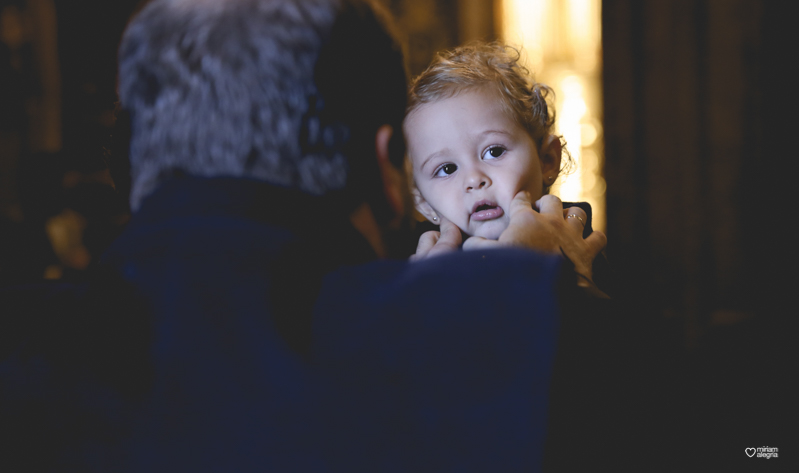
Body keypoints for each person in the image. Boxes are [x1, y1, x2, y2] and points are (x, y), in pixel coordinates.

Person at [1, 0, 609, 471]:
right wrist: (547, 293)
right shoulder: (509, 330)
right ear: (390, 172)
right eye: (443, 166)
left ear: (139, 158)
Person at [404, 42, 609, 294]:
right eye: (446, 169)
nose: (474, 179)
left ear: (547, 160)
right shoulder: (424, 270)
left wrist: (570, 278)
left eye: (494, 152)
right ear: (424, 202)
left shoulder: (575, 240)